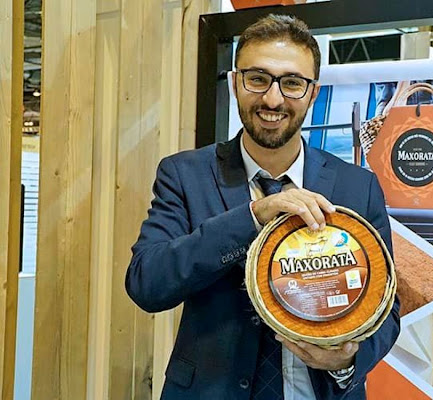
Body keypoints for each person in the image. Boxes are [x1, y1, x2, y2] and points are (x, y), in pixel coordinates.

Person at [125, 14, 400, 400]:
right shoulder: (185, 174)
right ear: (235, 82)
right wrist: (252, 217)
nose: (273, 99)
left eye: (292, 83)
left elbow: (386, 308)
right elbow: (147, 283)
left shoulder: (357, 186)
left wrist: (345, 360)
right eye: (258, 79)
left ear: (313, 93)